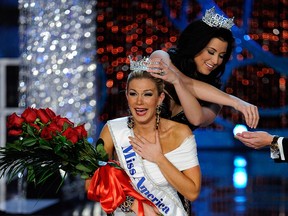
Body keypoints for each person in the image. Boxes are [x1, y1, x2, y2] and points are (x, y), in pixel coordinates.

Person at [87, 68, 201, 215]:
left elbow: (192, 192)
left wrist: (158, 158)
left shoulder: (181, 133)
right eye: (133, 94)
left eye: (147, 94)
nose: (139, 101)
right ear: (127, 96)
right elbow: (91, 183)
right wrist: (134, 204)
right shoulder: (112, 131)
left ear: (160, 98)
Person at [147, 7, 259, 131]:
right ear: (195, 45)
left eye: (221, 56)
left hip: (177, 149)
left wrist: (177, 81)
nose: (216, 61)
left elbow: (197, 119)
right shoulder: (161, 57)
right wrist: (235, 101)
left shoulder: (217, 98)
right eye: (211, 52)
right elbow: (185, 81)